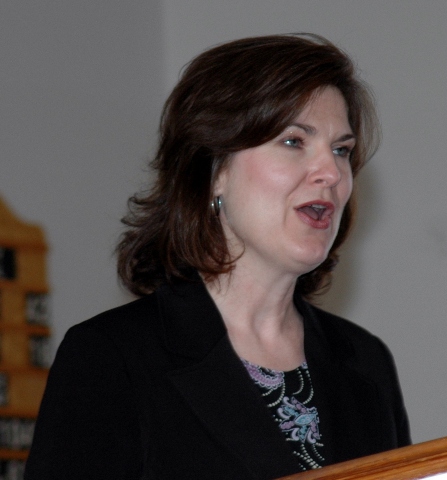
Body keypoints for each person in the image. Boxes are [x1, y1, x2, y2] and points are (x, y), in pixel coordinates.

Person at [25, 34, 410, 479]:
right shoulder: (112, 358)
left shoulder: (365, 362)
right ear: (214, 170)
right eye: (293, 142)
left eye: (341, 150)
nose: (331, 173)